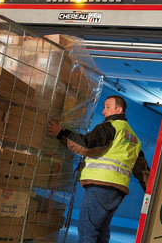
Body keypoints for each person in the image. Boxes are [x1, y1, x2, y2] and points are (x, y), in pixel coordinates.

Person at [47, 95, 150, 243]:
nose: (103, 111)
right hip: (118, 190)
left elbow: (86, 145)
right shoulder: (133, 138)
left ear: (118, 109)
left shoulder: (109, 127)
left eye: (107, 107)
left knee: (87, 229)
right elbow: (143, 171)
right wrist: (150, 192)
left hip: (101, 186)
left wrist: (61, 133)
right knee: (101, 231)